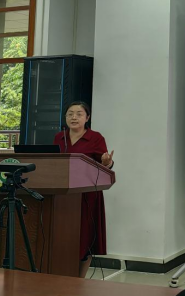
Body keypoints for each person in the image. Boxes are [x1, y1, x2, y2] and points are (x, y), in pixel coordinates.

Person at [53, 101, 114, 278]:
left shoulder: (95, 138)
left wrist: (107, 162)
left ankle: (79, 279)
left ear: (87, 118)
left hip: (87, 196)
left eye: (79, 114)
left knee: (85, 238)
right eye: (70, 114)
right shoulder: (59, 137)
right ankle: (61, 275)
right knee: (64, 236)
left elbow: (105, 164)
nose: (74, 117)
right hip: (63, 196)